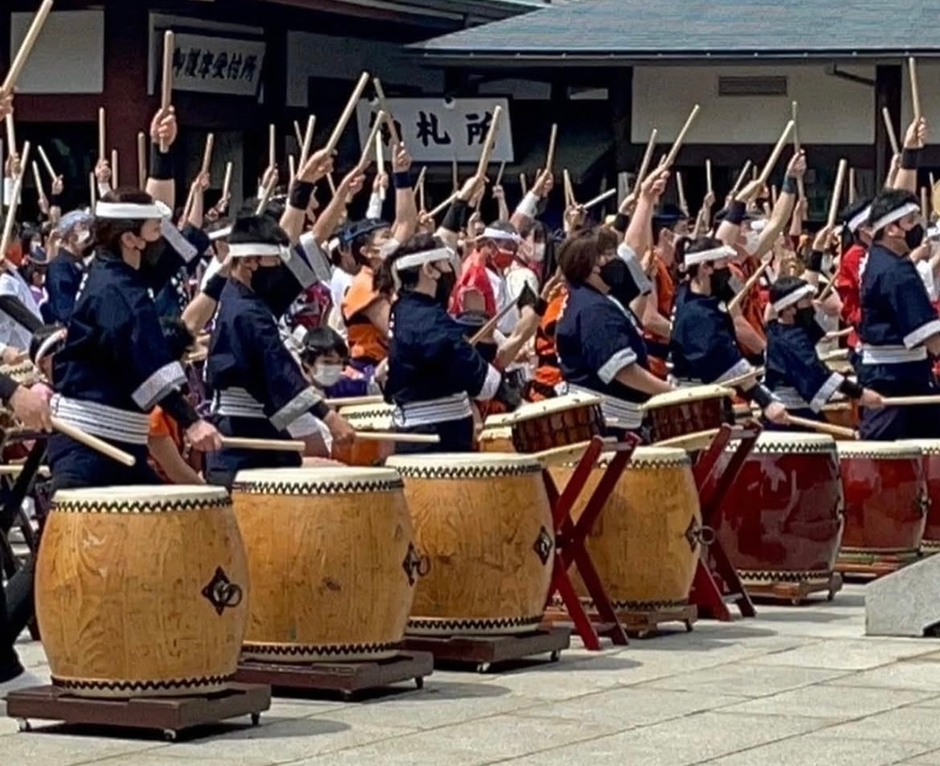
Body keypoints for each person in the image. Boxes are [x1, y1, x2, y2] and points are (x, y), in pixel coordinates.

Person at [49, 189, 222, 489]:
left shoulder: (117, 273)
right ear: (130, 240)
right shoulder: (116, 292)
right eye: (156, 230)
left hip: (119, 444)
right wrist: (191, 420)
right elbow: (145, 362)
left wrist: (163, 154)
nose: (163, 236)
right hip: (89, 448)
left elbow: (176, 251)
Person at [204, 215, 355, 487]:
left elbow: (297, 269)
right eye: (274, 261)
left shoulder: (246, 297)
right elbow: (278, 369)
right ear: (250, 261)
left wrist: (305, 190)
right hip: (243, 441)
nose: (279, 269)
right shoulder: (245, 312)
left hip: (256, 431)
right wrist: (329, 416)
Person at [382, 233, 517, 453]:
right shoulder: (428, 320)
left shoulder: (406, 309)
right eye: (445, 264)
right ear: (429, 269)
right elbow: (484, 384)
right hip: (434, 437)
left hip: (426, 430)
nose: (450, 272)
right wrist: (514, 399)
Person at [555, 227, 672, 436]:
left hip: (612, 421)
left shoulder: (595, 300)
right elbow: (620, 369)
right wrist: (671, 392)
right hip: (607, 427)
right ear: (591, 266)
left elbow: (630, 322)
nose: (615, 259)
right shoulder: (594, 309)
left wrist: (644, 286)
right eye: (608, 254)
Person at [670, 238, 789, 425]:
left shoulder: (692, 296)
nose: (729, 271)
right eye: (724, 264)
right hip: (696, 410)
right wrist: (766, 402)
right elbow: (725, 364)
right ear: (705, 268)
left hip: (708, 401)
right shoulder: (697, 314)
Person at [856, 190, 940, 439]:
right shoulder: (896, 270)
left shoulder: (880, 260)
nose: (918, 228)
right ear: (892, 228)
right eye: (912, 220)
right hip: (895, 380)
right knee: (883, 461)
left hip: (901, 375)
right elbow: (930, 338)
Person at [764, 276, 883, 427]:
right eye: (806, 300)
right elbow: (817, 373)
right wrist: (860, 394)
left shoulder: (778, 329)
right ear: (789, 309)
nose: (812, 305)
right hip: (789, 415)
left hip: (796, 411)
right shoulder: (790, 340)